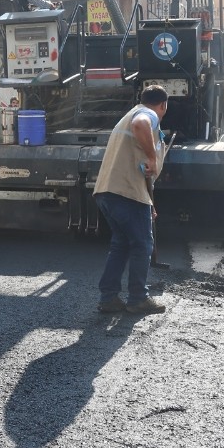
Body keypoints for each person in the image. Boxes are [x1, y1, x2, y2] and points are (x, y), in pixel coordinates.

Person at [92, 85, 170, 315]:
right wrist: (152, 156)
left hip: (108, 191)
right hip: (126, 192)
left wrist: (150, 204)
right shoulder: (148, 115)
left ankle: (109, 298)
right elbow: (141, 125)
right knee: (142, 245)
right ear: (163, 105)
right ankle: (138, 298)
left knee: (121, 244)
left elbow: (137, 167)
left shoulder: (128, 115)